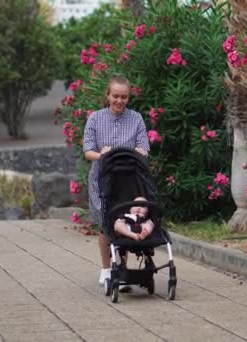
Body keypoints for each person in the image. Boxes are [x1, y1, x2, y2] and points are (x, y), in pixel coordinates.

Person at [82, 75, 150, 286]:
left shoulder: (136, 118)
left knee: (127, 219)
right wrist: (102, 154)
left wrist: (137, 152)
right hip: (101, 180)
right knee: (105, 223)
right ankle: (106, 268)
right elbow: (87, 151)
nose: (119, 101)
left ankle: (121, 269)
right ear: (108, 96)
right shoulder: (95, 119)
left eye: (124, 97)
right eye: (115, 96)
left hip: (128, 179)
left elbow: (144, 149)